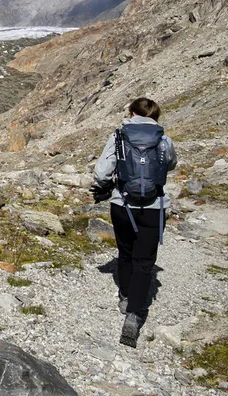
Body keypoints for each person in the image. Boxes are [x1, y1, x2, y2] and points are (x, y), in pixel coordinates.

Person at [91, 97, 177, 348]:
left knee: (125, 252)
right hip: (155, 206)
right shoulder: (163, 139)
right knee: (145, 261)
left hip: (122, 204)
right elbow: (171, 164)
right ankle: (134, 315)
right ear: (156, 117)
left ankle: (125, 296)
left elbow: (101, 172)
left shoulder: (118, 137)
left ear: (131, 113)